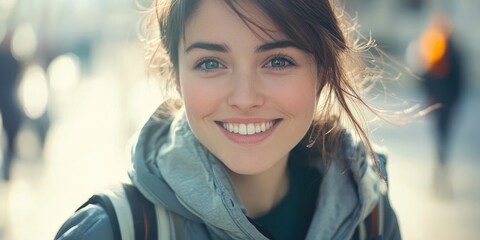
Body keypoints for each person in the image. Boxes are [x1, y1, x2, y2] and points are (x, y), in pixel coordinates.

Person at [55, 0, 401, 239]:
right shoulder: (108, 231)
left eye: (278, 61)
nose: (245, 98)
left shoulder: (369, 218)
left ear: (322, 73)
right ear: (177, 76)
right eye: (210, 63)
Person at [418, 13, 464, 197]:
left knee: (442, 139)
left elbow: (458, 80)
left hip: (444, 103)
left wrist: (452, 101)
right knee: (441, 138)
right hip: (439, 103)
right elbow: (425, 76)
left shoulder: (449, 50)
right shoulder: (433, 47)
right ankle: (440, 172)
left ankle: (440, 172)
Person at [0, 31, 22, 182]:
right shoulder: (10, 59)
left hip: (9, 101)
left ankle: (7, 167)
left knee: (11, 132)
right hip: (7, 101)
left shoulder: (13, 59)